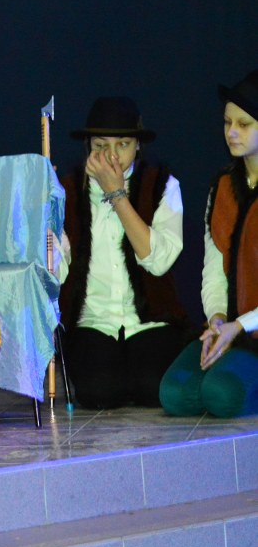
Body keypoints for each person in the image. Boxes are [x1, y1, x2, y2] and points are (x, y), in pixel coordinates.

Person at [57, 96, 190, 409]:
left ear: (138, 145)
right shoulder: (66, 189)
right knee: (98, 392)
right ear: (88, 145)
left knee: (153, 387)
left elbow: (158, 262)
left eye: (123, 144)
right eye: (101, 145)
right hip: (93, 320)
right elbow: (57, 273)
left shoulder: (162, 185)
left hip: (148, 319)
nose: (112, 155)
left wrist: (117, 194)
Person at [160, 71, 258, 418]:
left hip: (251, 330)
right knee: (175, 393)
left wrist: (240, 326)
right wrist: (217, 321)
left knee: (221, 394)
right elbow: (213, 269)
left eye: (244, 124)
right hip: (232, 327)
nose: (231, 132)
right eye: (228, 122)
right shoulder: (223, 188)